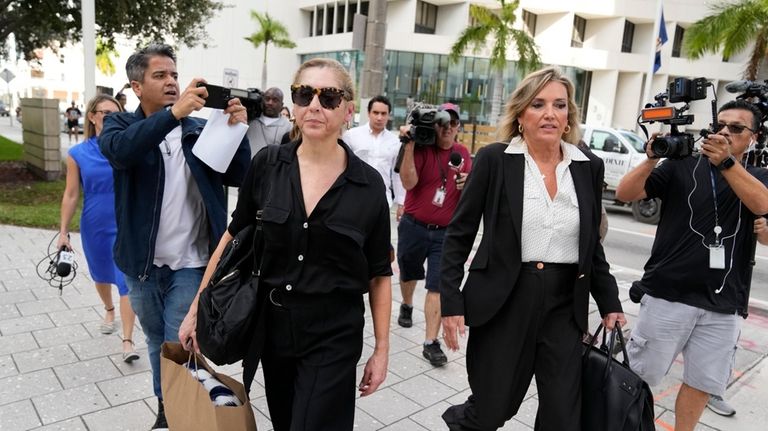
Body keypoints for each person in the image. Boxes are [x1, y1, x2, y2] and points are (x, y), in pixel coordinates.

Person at [179, 57, 392, 431]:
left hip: (334, 332)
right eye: (304, 93)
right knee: (285, 421)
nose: (314, 104)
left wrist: (382, 350)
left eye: (329, 97)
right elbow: (233, 238)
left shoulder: (368, 185)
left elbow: (378, 274)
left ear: (347, 109)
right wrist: (197, 307)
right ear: (294, 104)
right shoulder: (267, 165)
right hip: (273, 329)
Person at [440, 67, 626, 430]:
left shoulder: (588, 167)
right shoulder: (495, 159)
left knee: (563, 416)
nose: (550, 113)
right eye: (538, 104)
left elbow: (590, 246)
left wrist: (610, 303)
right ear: (521, 114)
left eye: (559, 105)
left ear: (569, 115)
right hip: (504, 299)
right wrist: (451, 301)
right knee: (493, 409)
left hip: (564, 303)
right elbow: (459, 235)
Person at [99, 43, 251, 430]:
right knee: (156, 342)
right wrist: (172, 114)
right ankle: (167, 408)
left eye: (174, 75)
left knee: (178, 344)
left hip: (193, 262)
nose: (171, 82)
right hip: (143, 264)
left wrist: (238, 130)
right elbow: (121, 153)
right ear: (136, 86)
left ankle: (182, 416)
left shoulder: (199, 131)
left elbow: (239, 176)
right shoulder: (121, 126)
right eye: (160, 76)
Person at [615, 99, 768, 431]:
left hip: (723, 303)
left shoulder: (757, 176)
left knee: (702, 383)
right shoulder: (680, 166)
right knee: (640, 375)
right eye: (718, 126)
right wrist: (652, 157)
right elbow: (626, 193)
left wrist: (728, 163)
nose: (724, 132)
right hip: (668, 293)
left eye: (736, 128)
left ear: (753, 137)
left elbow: (763, 203)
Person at [58, 94, 139, 363]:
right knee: (101, 276)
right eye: (104, 113)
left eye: (116, 113)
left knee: (126, 281)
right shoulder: (77, 154)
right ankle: (108, 308)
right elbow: (71, 195)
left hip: (126, 224)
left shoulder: (127, 149)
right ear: (92, 117)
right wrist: (63, 232)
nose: (110, 117)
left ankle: (127, 340)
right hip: (95, 225)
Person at [397, 102, 472, 367]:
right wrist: (408, 145)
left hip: (445, 234)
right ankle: (406, 304)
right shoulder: (420, 148)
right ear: (435, 126)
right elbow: (408, 183)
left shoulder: (463, 154)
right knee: (409, 273)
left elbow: (470, 193)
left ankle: (431, 342)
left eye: (453, 123)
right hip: (413, 225)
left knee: (437, 285)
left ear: (458, 127)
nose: (448, 128)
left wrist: (467, 184)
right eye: (443, 123)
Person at [707, 215, 768, 417]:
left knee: (720, 349)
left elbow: (765, 237)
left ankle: (712, 391)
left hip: (731, 284)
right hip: (684, 275)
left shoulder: (759, 183)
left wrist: (764, 229)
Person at [342, 95, 406, 210]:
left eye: (383, 113)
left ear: (389, 115)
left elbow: (397, 173)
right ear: (368, 113)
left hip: (383, 199)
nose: (379, 117)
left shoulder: (395, 141)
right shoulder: (351, 136)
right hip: (354, 197)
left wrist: (401, 202)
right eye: (375, 113)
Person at [245, 87, 293, 156]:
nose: (270, 103)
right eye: (267, 99)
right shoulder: (250, 121)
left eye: (275, 100)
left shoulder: (288, 127)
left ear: (282, 105)